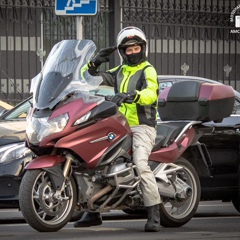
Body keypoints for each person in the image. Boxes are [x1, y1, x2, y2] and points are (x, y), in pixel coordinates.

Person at [74, 26, 161, 232]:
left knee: (140, 163)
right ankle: (93, 212)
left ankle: (154, 212)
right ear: (122, 52)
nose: (133, 52)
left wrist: (133, 95)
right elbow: (87, 79)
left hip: (142, 126)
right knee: (96, 159)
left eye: (136, 48)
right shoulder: (119, 71)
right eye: (128, 49)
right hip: (118, 124)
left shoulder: (148, 69)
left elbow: (151, 92)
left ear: (143, 48)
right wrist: (94, 62)